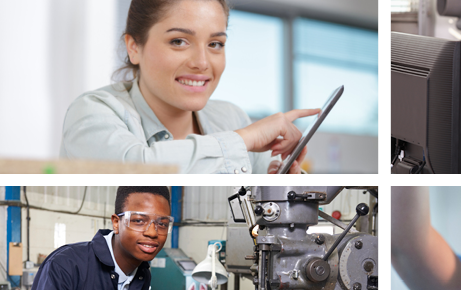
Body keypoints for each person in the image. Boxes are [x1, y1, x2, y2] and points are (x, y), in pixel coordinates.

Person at [60, 0, 316, 174]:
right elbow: (138, 170)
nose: (202, 63)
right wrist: (244, 139)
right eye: (179, 41)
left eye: (215, 44)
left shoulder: (232, 117)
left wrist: (280, 183)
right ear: (134, 47)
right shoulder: (91, 112)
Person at [20, 186, 172, 290]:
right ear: (116, 223)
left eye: (162, 224)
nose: (152, 232)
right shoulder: (66, 266)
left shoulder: (141, 277)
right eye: (138, 220)